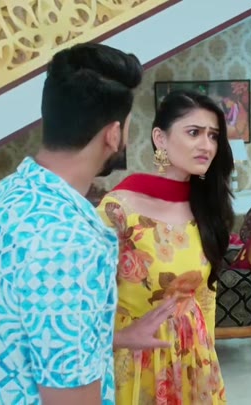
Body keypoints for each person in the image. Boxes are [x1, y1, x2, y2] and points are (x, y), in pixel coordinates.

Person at [0, 43, 176, 405]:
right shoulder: (71, 243)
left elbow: (25, 332)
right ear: (113, 134)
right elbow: (69, 396)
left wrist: (117, 337)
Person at [97, 90, 235, 404]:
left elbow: (205, 296)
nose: (207, 145)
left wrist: (208, 358)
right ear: (160, 138)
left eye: (213, 136)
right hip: (137, 360)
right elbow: (86, 301)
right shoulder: (119, 209)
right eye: (194, 132)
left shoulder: (206, 208)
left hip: (194, 358)